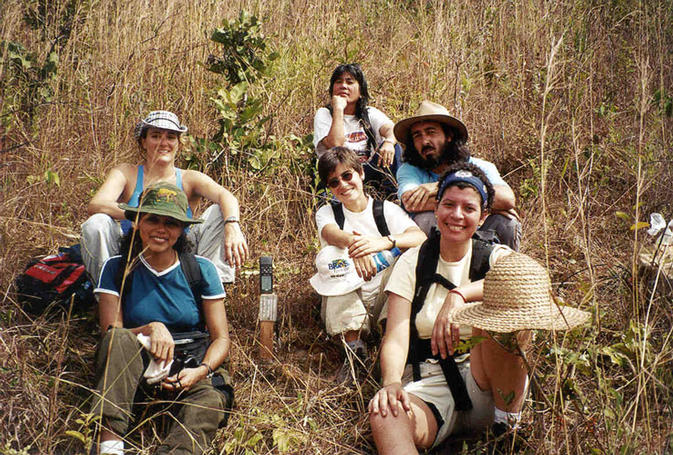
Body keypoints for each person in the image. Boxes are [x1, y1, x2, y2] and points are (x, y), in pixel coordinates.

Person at [368, 162, 522, 453]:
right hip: (430, 383)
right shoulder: (414, 261)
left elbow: (531, 283)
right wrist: (390, 383)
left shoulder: (494, 257)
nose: (457, 215)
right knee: (385, 415)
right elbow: (397, 336)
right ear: (436, 209)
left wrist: (461, 294)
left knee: (503, 319)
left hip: (489, 387)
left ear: (483, 216)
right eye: (449, 205)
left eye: (469, 208)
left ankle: (506, 435)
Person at [90, 182, 233, 455]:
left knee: (210, 400)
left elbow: (221, 338)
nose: (161, 229)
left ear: (181, 230)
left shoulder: (201, 270)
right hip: (136, 366)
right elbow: (112, 332)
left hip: (186, 366)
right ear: (137, 223)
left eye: (171, 223)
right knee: (118, 339)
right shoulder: (118, 267)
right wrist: (151, 328)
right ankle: (110, 444)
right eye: (152, 219)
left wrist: (200, 371)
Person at [81, 110, 248, 284]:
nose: (163, 143)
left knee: (220, 213)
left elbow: (225, 195)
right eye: (155, 136)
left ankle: (211, 290)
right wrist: (141, 215)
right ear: (143, 141)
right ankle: (107, 291)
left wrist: (233, 225)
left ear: (178, 144)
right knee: (96, 223)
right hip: (133, 250)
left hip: (179, 251)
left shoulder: (189, 178)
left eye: (170, 137)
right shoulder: (126, 173)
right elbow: (96, 204)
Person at [312, 147, 426, 382]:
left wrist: (383, 242)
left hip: (385, 297)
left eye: (347, 176)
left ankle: (391, 344)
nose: (342, 185)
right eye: (334, 182)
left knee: (409, 258)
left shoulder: (386, 210)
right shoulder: (328, 212)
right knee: (333, 258)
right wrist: (357, 246)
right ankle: (355, 352)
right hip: (350, 295)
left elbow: (420, 238)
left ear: (361, 173)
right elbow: (330, 233)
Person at [395, 100, 521, 250]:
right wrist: (484, 204)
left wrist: (438, 187)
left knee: (506, 222)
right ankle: (429, 272)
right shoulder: (410, 170)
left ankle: (503, 271)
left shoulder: (481, 166)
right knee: (425, 219)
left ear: (448, 136)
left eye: (431, 132)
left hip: (480, 232)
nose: (425, 141)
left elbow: (506, 199)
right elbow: (411, 202)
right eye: (417, 136)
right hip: (440, 237)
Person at [313, 63, 401, 196]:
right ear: (332, 90)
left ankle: (392, 196)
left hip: (367, 172)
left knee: (395, 147)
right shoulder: (324, 114)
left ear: (360, 91)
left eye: (350, 82)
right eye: (338, 82)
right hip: (340, 176)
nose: (343, 86)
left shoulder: (369, 113)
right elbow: (336, 145)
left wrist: (389, 142)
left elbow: (391, 129)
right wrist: (338, 109)